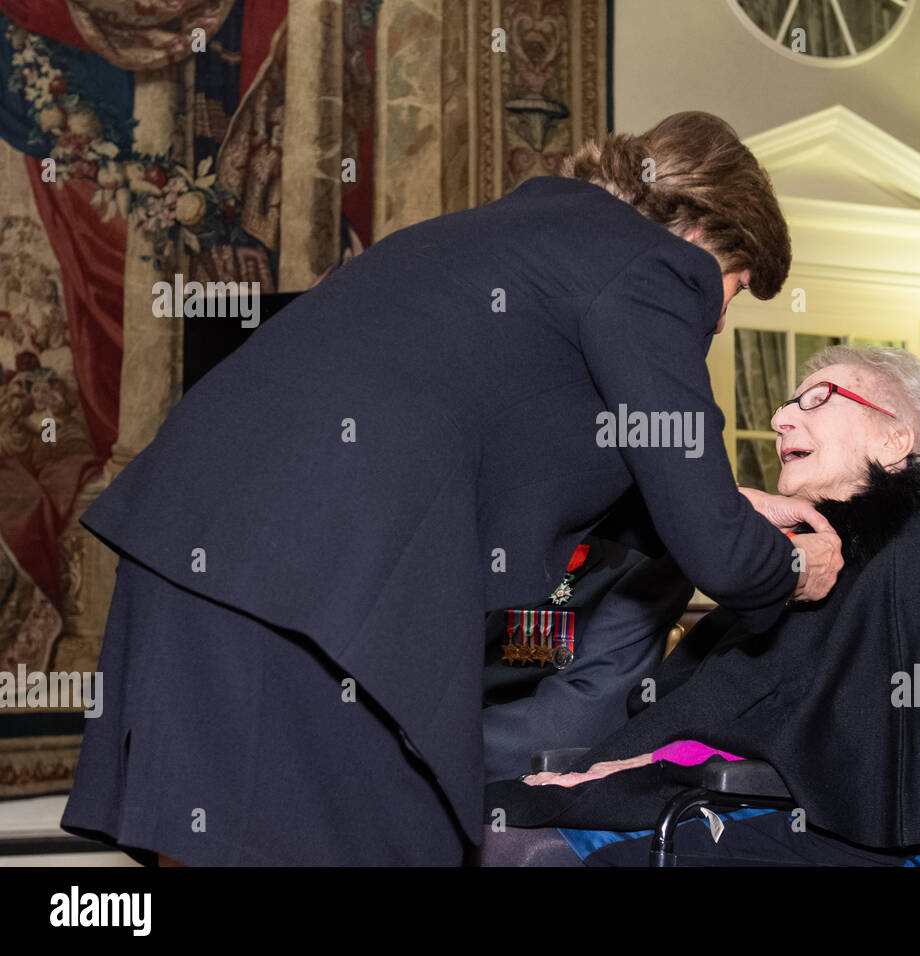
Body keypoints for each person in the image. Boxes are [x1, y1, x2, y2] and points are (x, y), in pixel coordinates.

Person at [59, 111, 846, 866]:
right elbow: (722, 555)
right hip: (317, 584)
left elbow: (574, 443)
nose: (715, 323)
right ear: (704, 233)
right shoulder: (653, 265)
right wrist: (791, 567)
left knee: (204, 834)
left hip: (198, 546)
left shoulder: (505, 235)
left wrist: (729, 502)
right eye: (733, 292)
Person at [480, 346, 920, 866]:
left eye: (818, 398)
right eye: (788, 404)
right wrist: (633, 763)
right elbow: (728, 705)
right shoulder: (810, 562)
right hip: (729, 799)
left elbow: (896, 760)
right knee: (464, 821)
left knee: (508, 841)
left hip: (847, 833)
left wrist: (654, 763)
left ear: (895, 440)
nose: (780, 420)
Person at [481, 531, 693, 783]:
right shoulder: (477, 538)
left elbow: (575, 719)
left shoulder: (645, 560)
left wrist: (438, 741)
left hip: (507, 763)